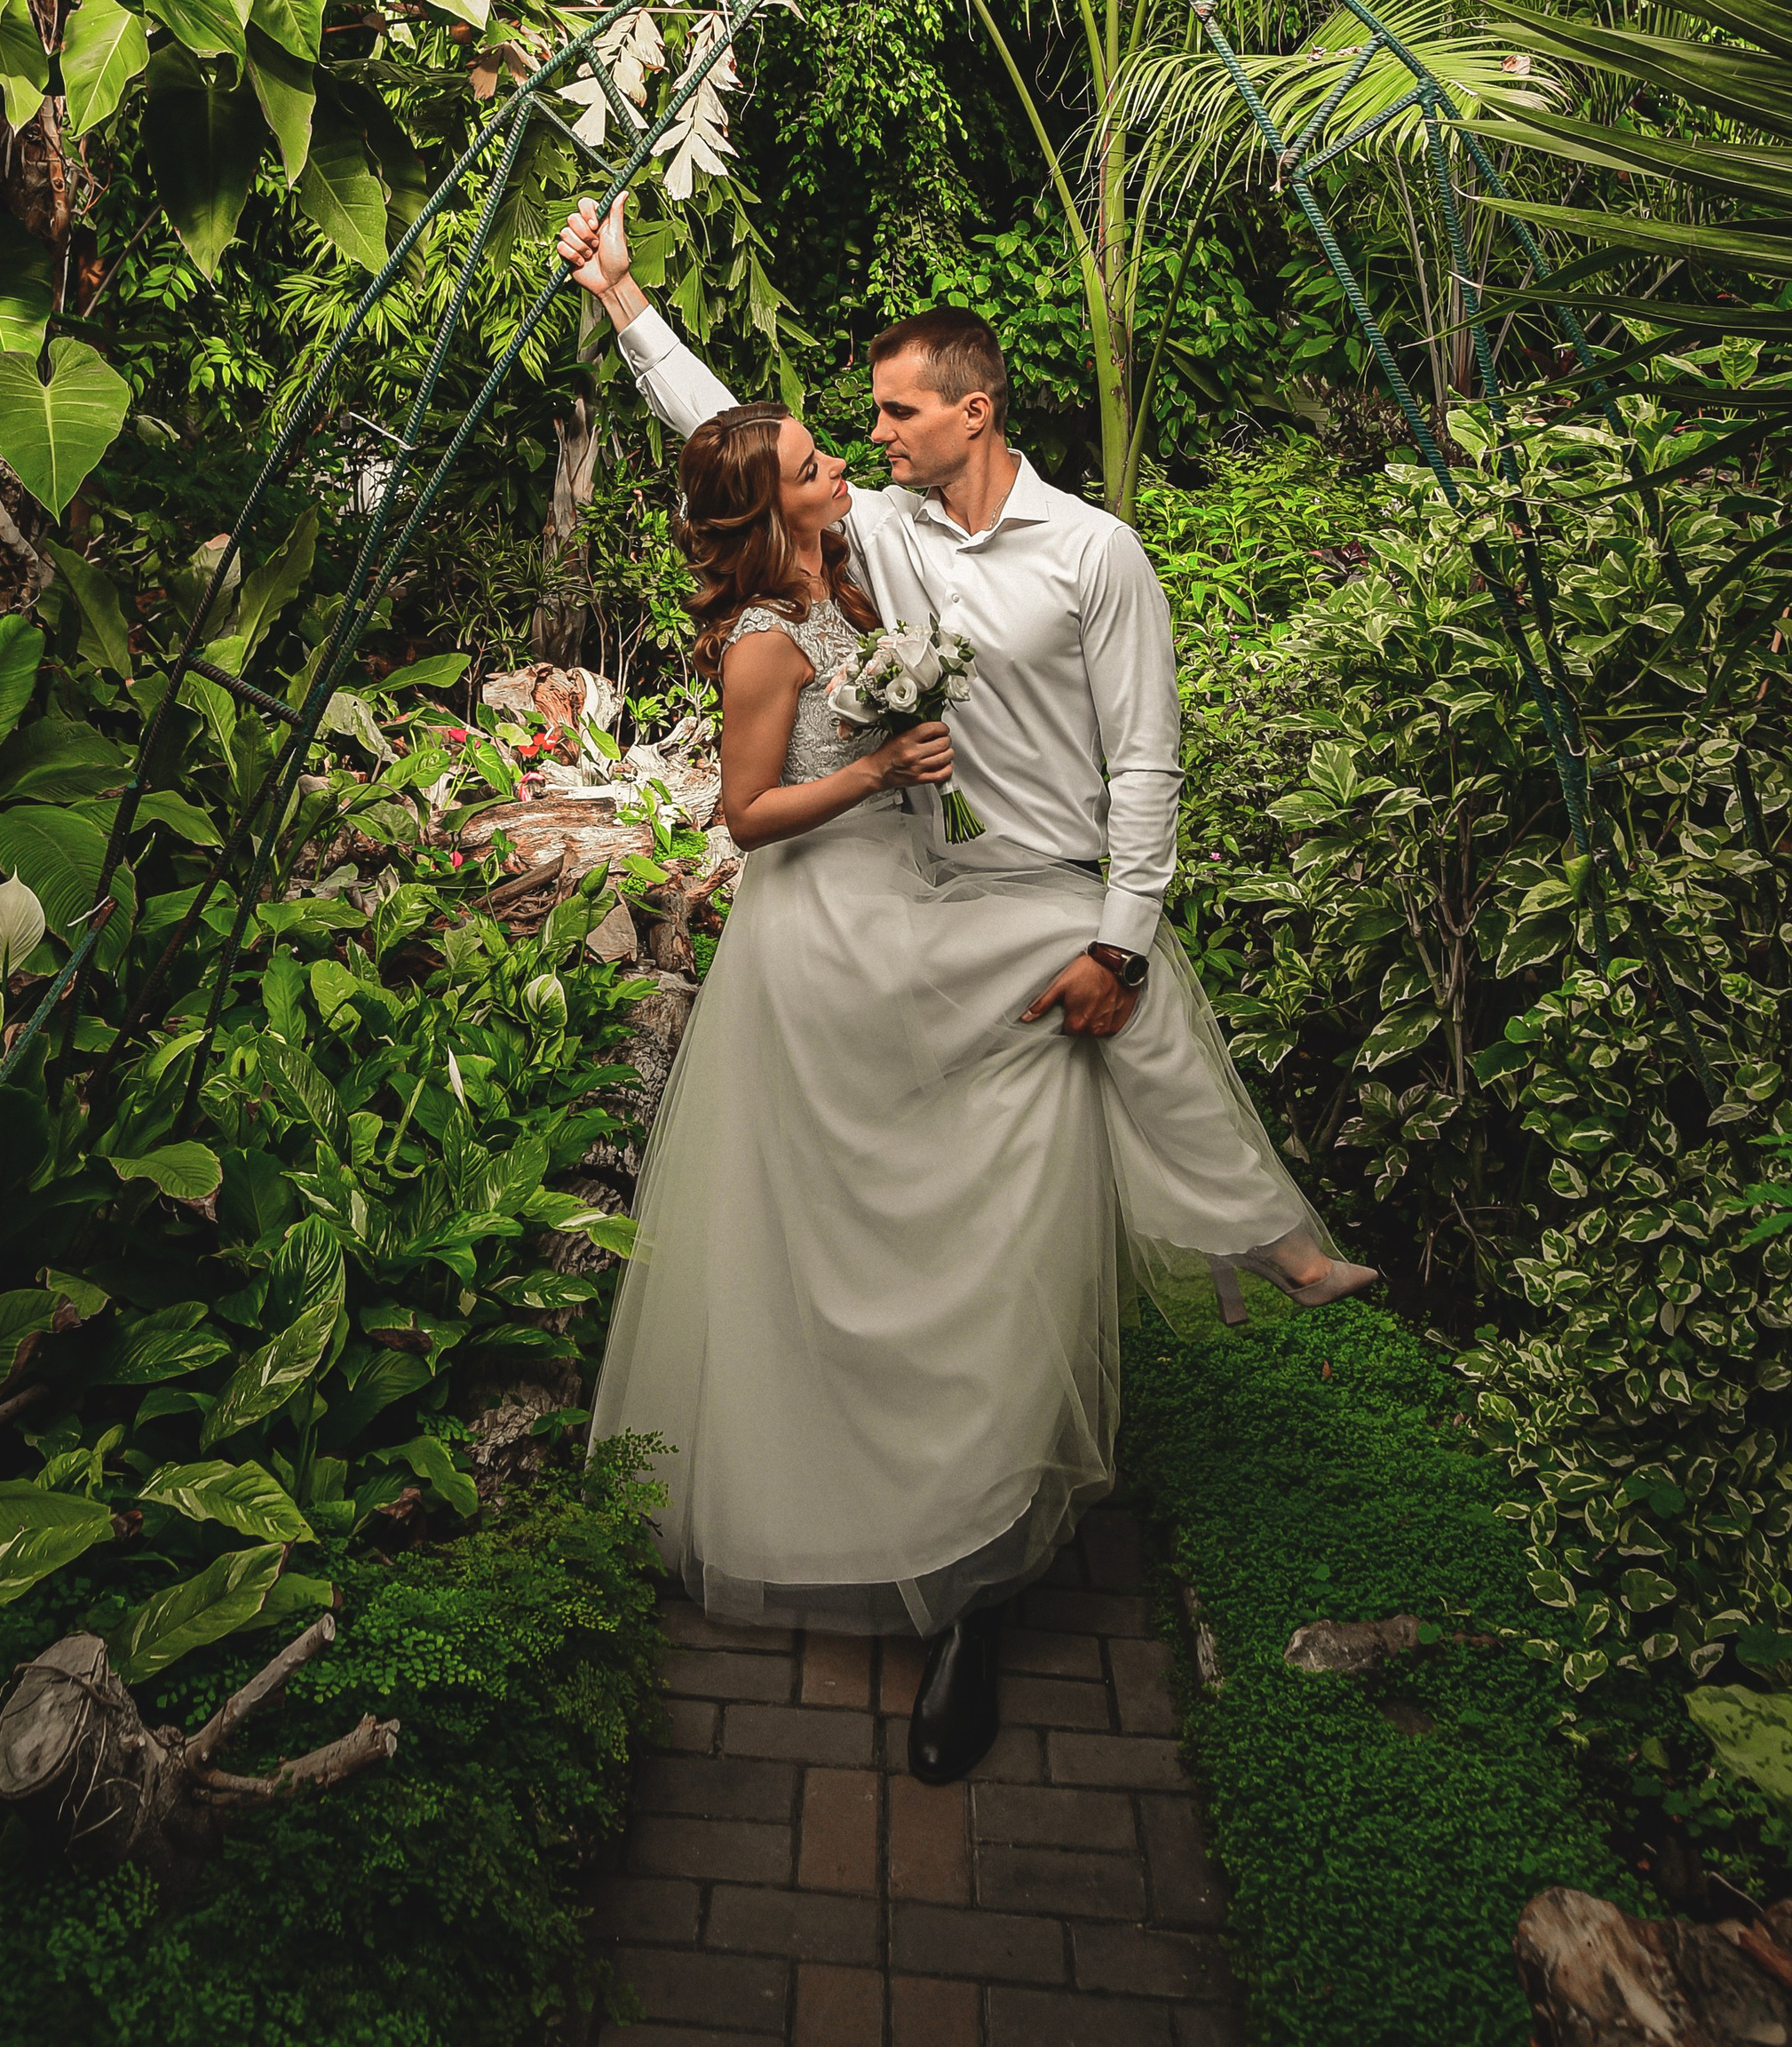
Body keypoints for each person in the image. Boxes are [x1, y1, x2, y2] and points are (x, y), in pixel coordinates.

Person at [559, 197, 1375, 1782]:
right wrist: (624, 304)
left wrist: (1121, 935)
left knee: (1070, 1120)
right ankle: (1250, 1245)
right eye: (855, 432)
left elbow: (1147, 758)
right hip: (920, 909)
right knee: (892, 1223)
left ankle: (995, 1549)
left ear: (972, 411)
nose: (865, 443)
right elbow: (736, 446)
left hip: (1050, 904)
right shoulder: (882, 539)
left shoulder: (1096, 557)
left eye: (893, 415)